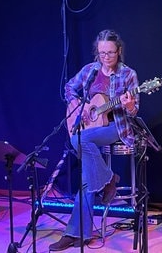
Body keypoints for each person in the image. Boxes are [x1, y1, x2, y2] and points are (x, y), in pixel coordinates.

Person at [50, 29, 139, 251]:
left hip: (116, 127)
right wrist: (79, 105)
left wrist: (129, 105)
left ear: (119, 51)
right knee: (88, 177)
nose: (106, 57)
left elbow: (134, 110)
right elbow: (69, 87)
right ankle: (105, 182)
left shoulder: (129, 75)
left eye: (110, 52)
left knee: (79, 140)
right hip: (92, 127)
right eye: (102, 53)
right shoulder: (90, 71)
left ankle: (108, 181)